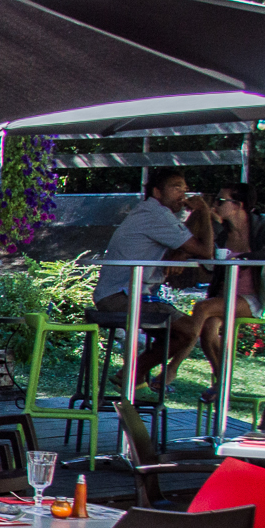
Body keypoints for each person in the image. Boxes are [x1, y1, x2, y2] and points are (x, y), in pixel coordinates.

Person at [92, 167, 210, 392]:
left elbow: (184, 243)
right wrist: (203, 211)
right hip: (121, 296)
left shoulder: (152, 213)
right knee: (188, 330)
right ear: (157, 192)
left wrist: (181, 252)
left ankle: (133, 379)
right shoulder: (157, 214)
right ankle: (130, 376)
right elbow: (206, 251)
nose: (183, 194)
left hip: (123, 294)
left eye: (184, 189)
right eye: (176, 188)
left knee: (177, 334)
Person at [188, 183, 265, 374]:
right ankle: (222, 380)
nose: (215, 205)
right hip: (224, 295)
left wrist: (243, 259)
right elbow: (208, 262)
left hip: (251, 297)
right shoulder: (221, 229)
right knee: (209, 329)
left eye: (220, 201)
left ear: (238, 205)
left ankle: (174, 365)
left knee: (202, 308)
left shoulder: (263, 224)